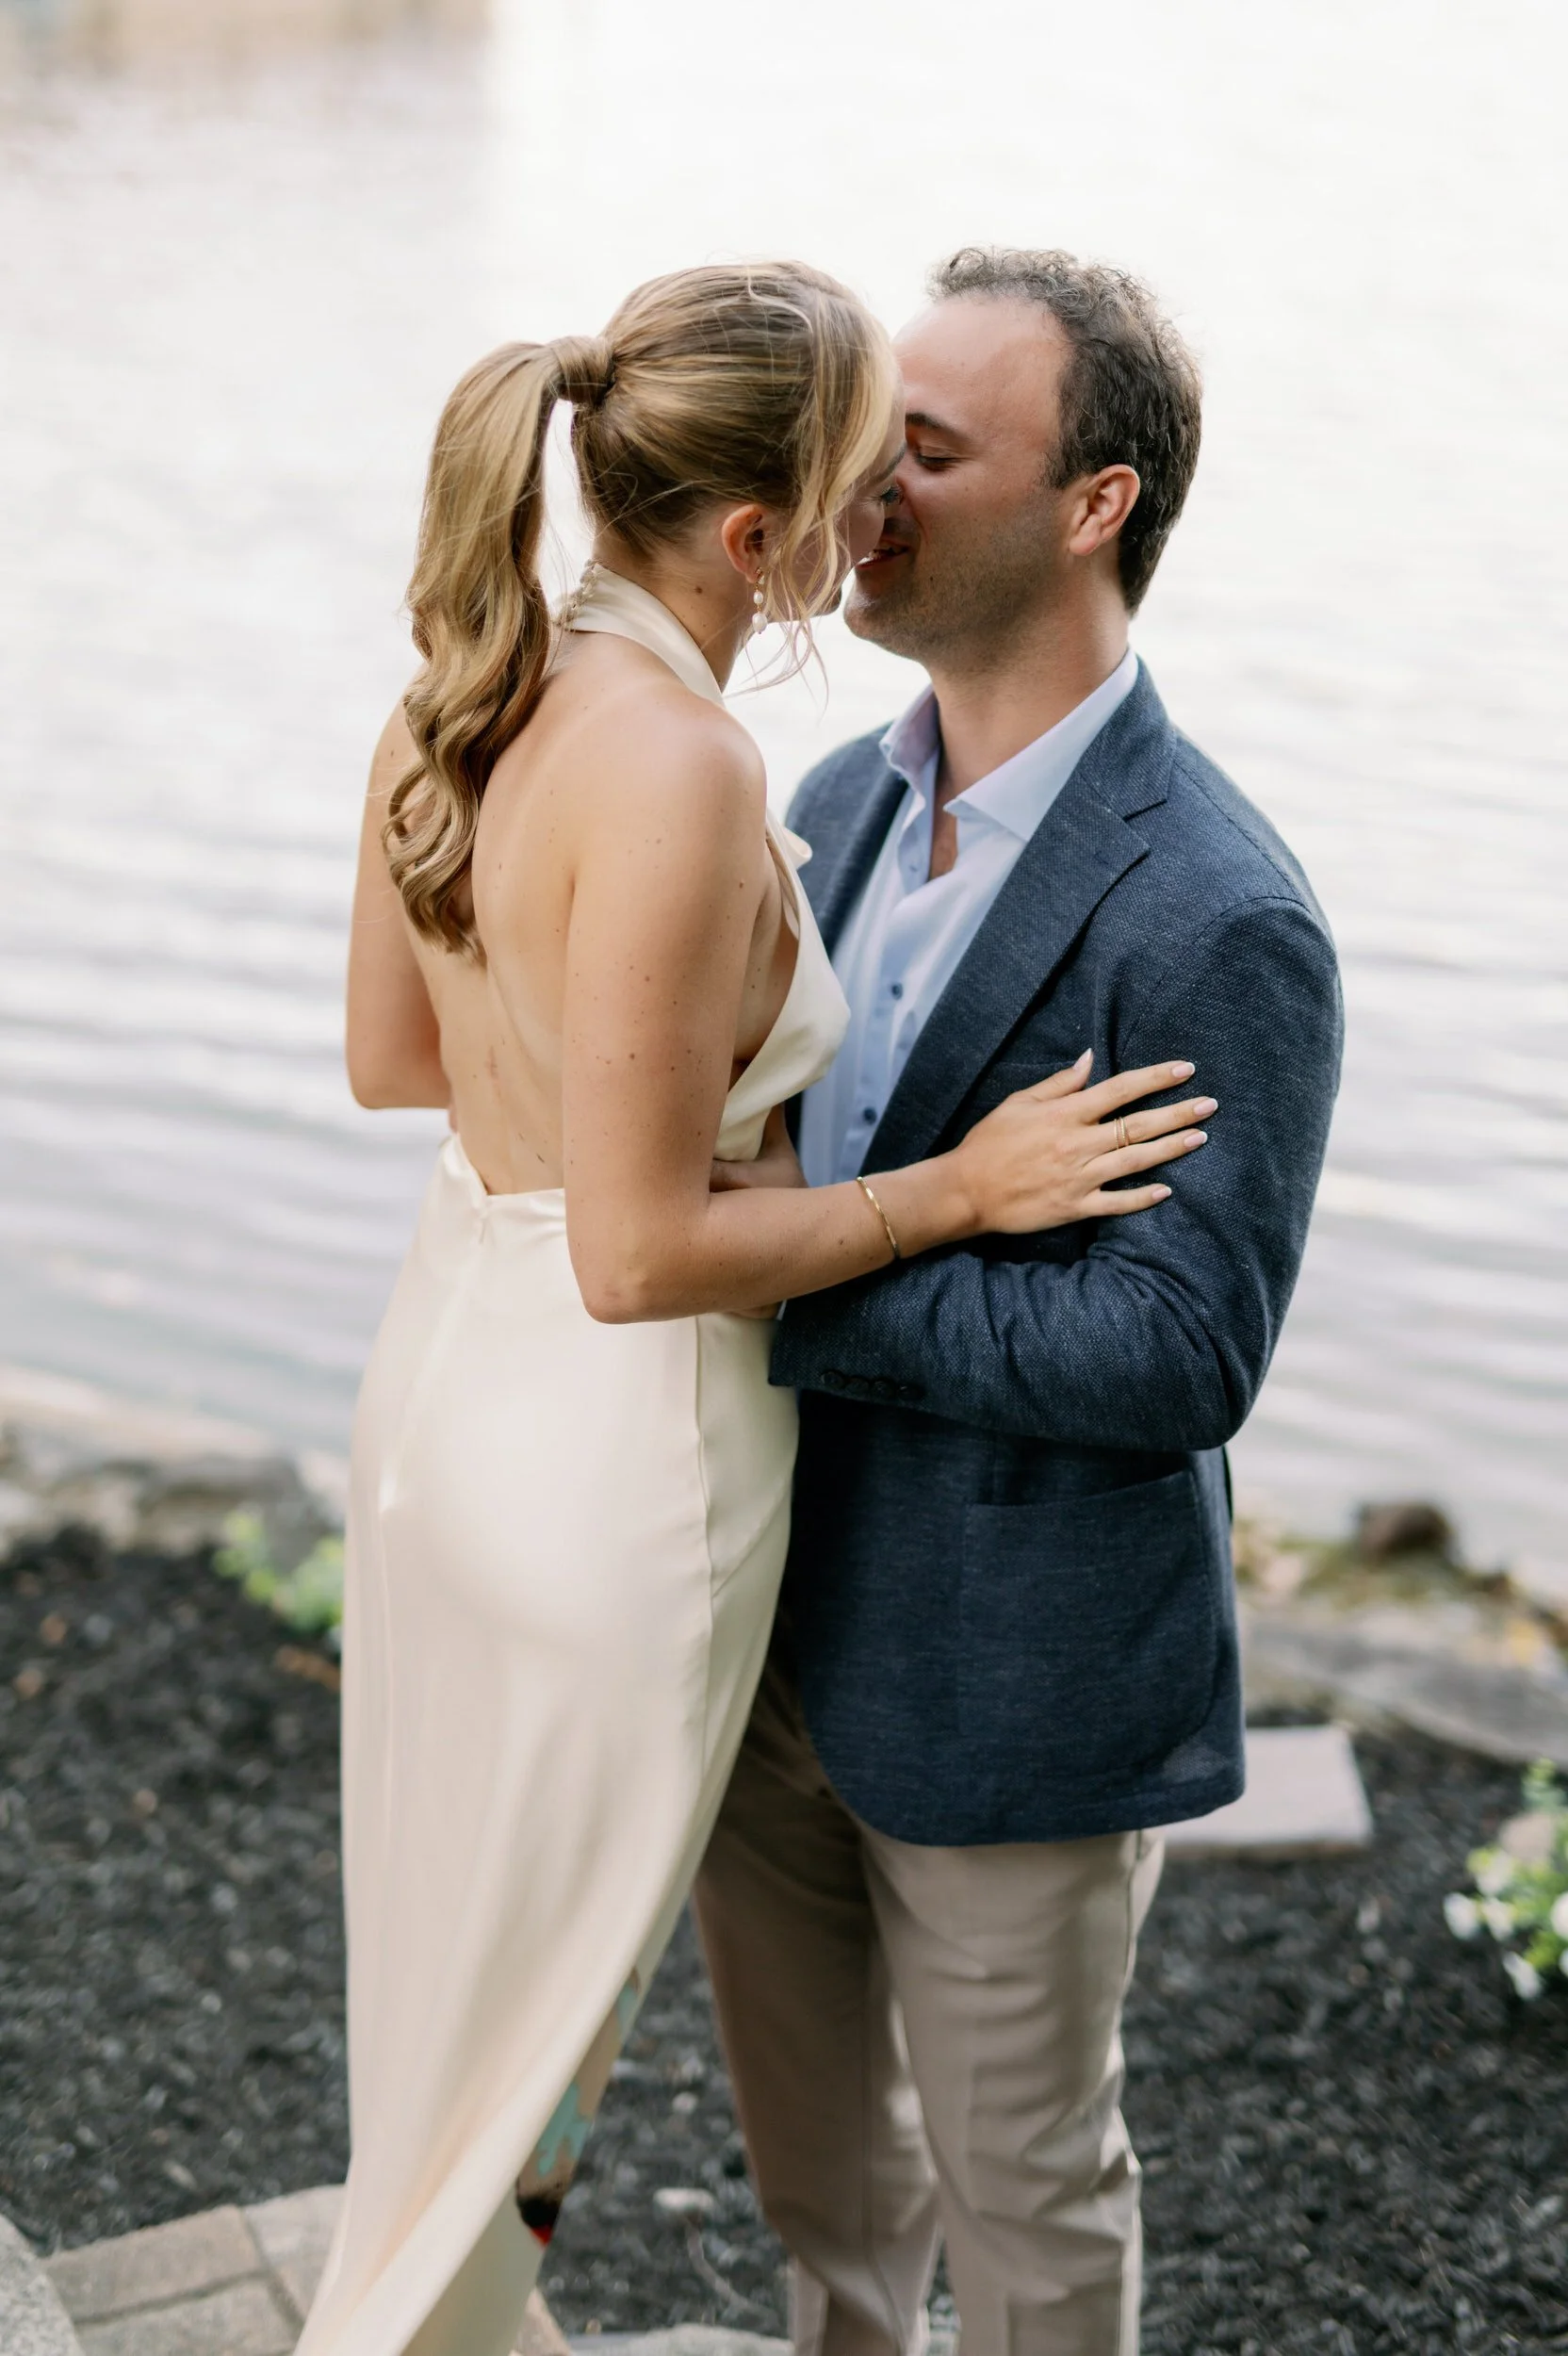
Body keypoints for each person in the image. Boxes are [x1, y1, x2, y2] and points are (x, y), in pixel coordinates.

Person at [300, 260, 1211, 2356]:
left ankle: (405, 2309)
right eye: (862, 463)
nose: (881, 506)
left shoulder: (463, 680)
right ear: (755, 538)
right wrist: (946, 1189)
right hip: (624, 1454)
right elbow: (638, 1257)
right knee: (551, 2019)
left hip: (448, 1391)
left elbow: (397, 1058)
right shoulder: (695, 768)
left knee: (453, 1997)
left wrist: (601, 1106)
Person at [693, 248, 1345, 2356]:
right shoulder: (827, 803)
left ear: (1096, 503)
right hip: (756, 1639)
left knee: (1030, 2209)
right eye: (870, 436)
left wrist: (794, 1276)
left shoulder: (1215, 910)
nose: (858, 492)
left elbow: (1176, 1353)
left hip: (1012, 1684)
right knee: (823, 2189)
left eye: (930, 453)